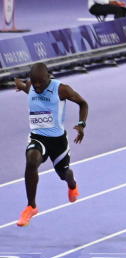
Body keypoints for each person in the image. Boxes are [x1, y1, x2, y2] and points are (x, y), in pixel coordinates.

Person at [13, 63, 90, 227]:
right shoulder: (32, 86)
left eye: (41, 82)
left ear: (48, 77)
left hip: (58, 142)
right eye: (35, 83)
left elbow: (83, 103)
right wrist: (19, 84)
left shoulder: (61, 89)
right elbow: (27, 87)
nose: (38, 86)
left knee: (65, 174)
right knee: (31, 160)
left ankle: (72, 185)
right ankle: (31, 206)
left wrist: (81, 124)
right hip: (38, 137)